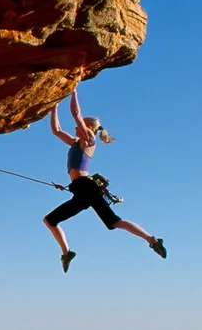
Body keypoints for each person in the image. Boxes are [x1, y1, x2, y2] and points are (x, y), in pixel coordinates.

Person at [43, 87, 166, 272]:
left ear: (89, 128)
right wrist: (53, 107)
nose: (76, 128)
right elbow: (56, 130)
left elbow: (76, 114)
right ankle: (66, 253)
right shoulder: (75, 142)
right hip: (80, 189)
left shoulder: (89, 140)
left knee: (113, 221)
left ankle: (152, 240)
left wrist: (73, 91)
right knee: (51, 220)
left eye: (80, 126)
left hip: (86, 187)